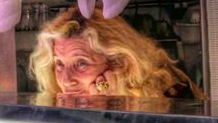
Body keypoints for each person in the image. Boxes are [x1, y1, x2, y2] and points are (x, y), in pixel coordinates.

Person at [29, 7, 204, 101]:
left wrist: (109, 117)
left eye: (81, 63)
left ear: (118, 62)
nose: (66, 80)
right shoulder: (75, 100)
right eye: (59, 63)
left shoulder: (171, 95)